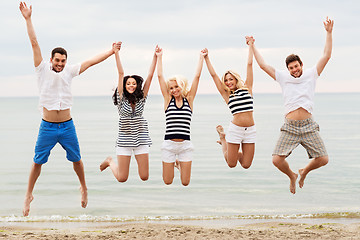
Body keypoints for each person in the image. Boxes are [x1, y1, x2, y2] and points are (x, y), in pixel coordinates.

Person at [19, 2, 120, 216]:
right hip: (47, 126)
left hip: (67, 126)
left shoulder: (69, 71)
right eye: (57, 60)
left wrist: (111, 52)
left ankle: (83, 188)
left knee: (77, 160)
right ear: (51, 60)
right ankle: (28, 195)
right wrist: (28, 19)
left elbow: (91, 62)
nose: (60, 64)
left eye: (63, 61)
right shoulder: (41, 69)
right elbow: (34, 42)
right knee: (37, 162)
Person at [249, 17, 334, 194]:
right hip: (290, 127)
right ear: (287, 69)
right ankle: (292, 175)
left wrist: (328, 32)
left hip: (308, 125)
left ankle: (304, 170)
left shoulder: (311, 74)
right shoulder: (283, 77)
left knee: (323, 159)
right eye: (291, 68)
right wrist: (252, 45)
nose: (294, 70)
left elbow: (326, 55)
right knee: (276, 160)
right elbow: (263, 65)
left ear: (301, 65)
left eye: (296, 66)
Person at [99, 44, 157, 182]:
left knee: (144, 177)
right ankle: (109, 161)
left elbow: (150, 75)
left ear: (137, 85)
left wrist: (155, 56)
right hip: (125, 141)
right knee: (122, 178)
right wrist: (116, 53)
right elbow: (120, 73)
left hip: (141, 139)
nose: (131, 85)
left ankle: (112, 161)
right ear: (124, 86)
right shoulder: (121, 98)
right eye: (128, 83)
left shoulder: (141, 98)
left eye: (134, 83)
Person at [203, 38, 255, 169]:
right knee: (231, 164)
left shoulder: (247, 88)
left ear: (236, 79)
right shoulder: (227, 95)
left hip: (250, 130)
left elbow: (249, 64)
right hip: (236, 130)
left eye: (230, 79)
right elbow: (214, 75)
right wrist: (206, 58)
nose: (228, 82)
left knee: (246, 165)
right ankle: (223, 139)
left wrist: (251, 45)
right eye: (226, 80)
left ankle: (229, 145)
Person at [155, 46, 205, 186]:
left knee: (185, 182)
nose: (174, 90)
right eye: (171, 88)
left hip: (185, 146)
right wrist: (159, 57)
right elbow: (159, 76)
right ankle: (175, 163)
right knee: (168, 181)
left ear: (182, 86)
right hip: (169, 145)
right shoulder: (167, 100)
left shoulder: (189, 100)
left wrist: (201, 58)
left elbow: (197, 77)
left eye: (176, 86)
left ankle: (178, 164)